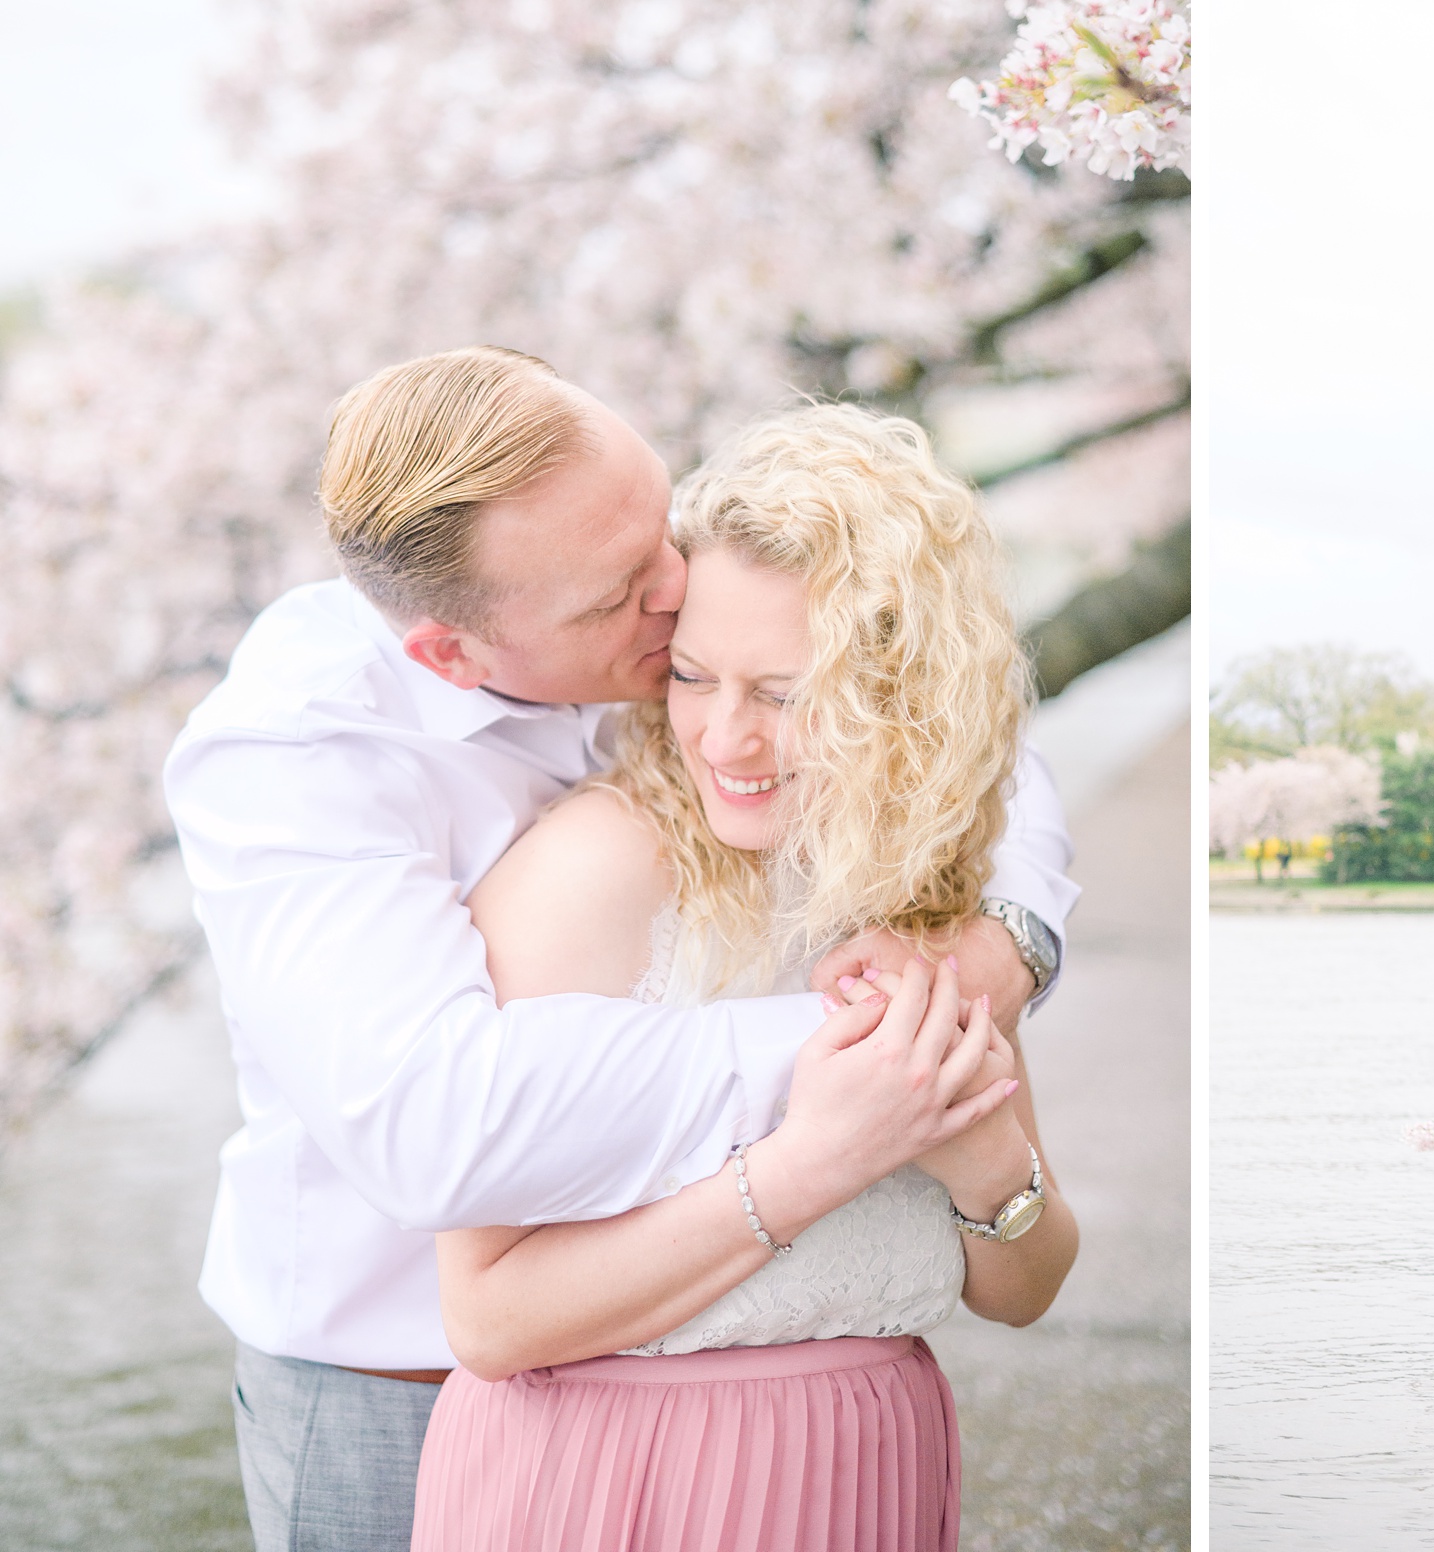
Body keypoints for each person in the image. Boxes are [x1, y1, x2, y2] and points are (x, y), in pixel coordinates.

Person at [164, 348, 1078, 1551]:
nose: (674, 589)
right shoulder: (300, 758)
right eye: (627, 600)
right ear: (454, 652)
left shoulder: (656, 604)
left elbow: (947, 721)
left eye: (663, 528)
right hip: (388, 1375)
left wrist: (1007, 935)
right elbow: (439, 1128)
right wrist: (879, 1045)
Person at [408, 404, 1077, 1551]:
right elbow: (487, 1315)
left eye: (784, 694)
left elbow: (1024, 1287)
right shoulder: (593, 871)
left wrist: (982, 1165)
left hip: (870, 1461)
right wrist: (819, 1160)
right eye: (692, 675)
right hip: (613, 1482)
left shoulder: (936, 898)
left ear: (901, 695)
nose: (724, 739)